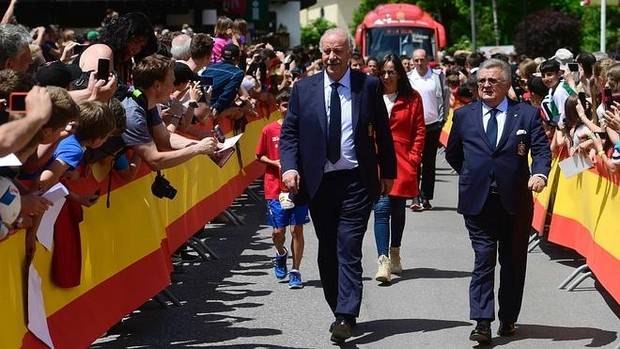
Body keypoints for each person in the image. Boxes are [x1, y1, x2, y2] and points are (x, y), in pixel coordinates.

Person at [279, 27, 396, 345]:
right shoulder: (304, 89)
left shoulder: (368, 86)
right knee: (327, 249)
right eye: (327, 51)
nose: (332, 57)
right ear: (321, 53)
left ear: (350, 54)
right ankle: (338, 307)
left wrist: (388, 171)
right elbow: (289, 134)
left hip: (357, 181)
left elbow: (383, 133)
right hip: (319, 182)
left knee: (348, 246)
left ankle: (346, 314)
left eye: (338, 51)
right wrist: (289, 167)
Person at [445, 58, 551, 344]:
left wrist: (539, 174)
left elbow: (541, 150)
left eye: (493, 81)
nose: (486, 85)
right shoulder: (464, 116)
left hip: (515, 202)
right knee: (483, 259)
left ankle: (508, 318)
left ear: (506, 85)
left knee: (513, 262)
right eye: (482, 81)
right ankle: (482, 321)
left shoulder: (526, 115)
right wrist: (472, 174)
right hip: (478, 202)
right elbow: (453, 153)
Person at [372, 54, 425, 284]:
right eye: (382, 72)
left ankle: (395, 252)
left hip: (403, 159)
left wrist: (414, 158)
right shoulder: (372, 95)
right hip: (376, 159)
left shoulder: (412, 98)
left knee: (398, 210)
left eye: (391, 72)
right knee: (381, 207)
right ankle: (383, 260)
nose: (386, 76)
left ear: (399, 74)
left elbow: (420, 130)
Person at [256, 91, 308, 289]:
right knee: (278, 231)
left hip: (298, 187)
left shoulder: (303, 129)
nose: (288, 109)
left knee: (297, 228)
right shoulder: (269, 130)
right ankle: (280, 253)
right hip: (275, 188)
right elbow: (259, 155)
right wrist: (275, 162)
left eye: (291, 105)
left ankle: (295, 270)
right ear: (279, 107)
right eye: (285, 105)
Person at [408, 48, 448, 211]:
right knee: (414, 161)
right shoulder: (409, 77)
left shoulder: (437, 76)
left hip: (433, 124)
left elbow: (445, 97)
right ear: (413, 61)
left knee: (429, 162)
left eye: (422, 60)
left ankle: (426, 197)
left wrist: (443, 119)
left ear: (427, 60)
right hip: (414, 126)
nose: (419, 63)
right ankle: (414, 195)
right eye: (416, 60)